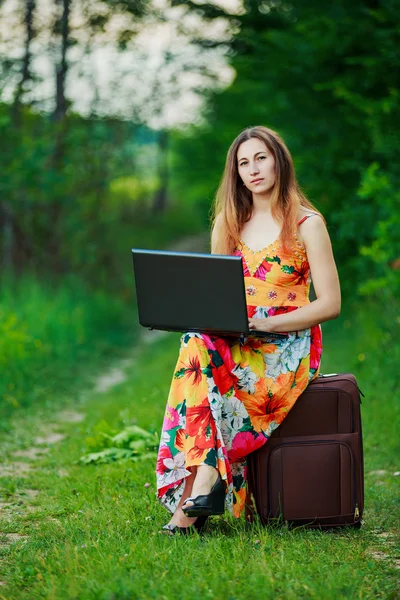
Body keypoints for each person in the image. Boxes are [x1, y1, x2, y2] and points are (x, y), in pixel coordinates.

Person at [156, 125, 341, 534]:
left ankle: (195, 499)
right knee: (195, 342)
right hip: (238, 338)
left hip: (286, 347)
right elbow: (213, 295)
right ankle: (205, 486)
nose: (253, 169)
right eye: (243, 163)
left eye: (261, 158)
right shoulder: (228, 222)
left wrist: (266, 323)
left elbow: (330, 304)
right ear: (236, 173)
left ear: (279, 161)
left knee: (199, 365)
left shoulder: (307, 224)